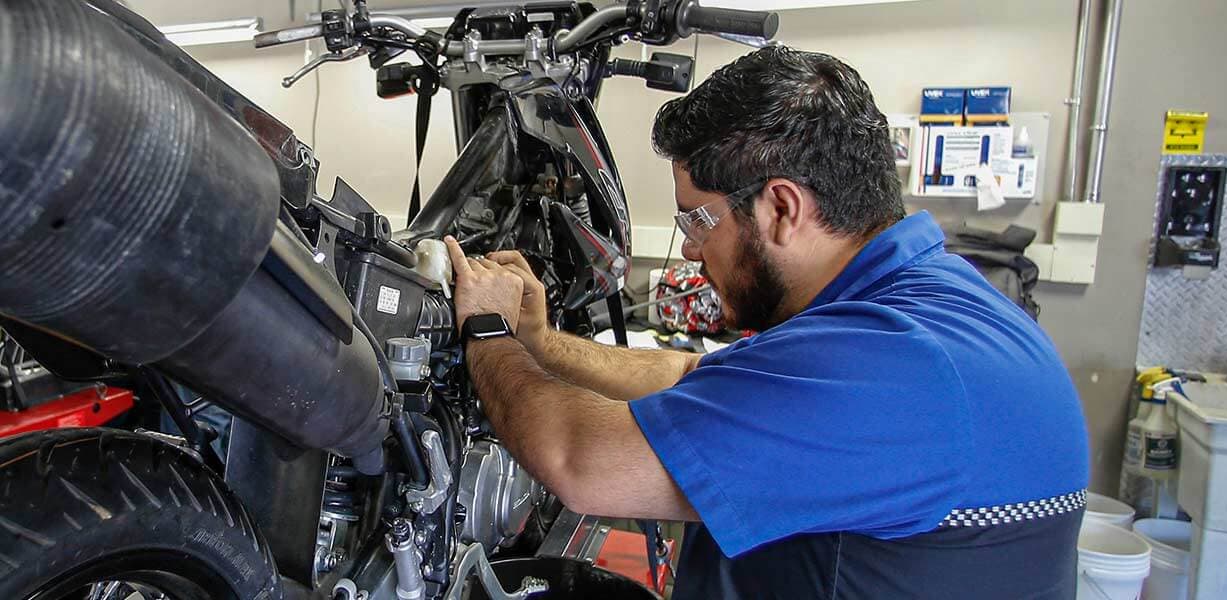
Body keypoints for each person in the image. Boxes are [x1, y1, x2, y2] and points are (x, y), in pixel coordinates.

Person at [444, 46, 1089, 599]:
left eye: (698, 220)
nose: (691, 250)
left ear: (782, 207)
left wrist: (486, 334)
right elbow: (688, 374)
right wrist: (537, 341)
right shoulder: (923, 305)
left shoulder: (891, 365)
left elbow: (578, 463)